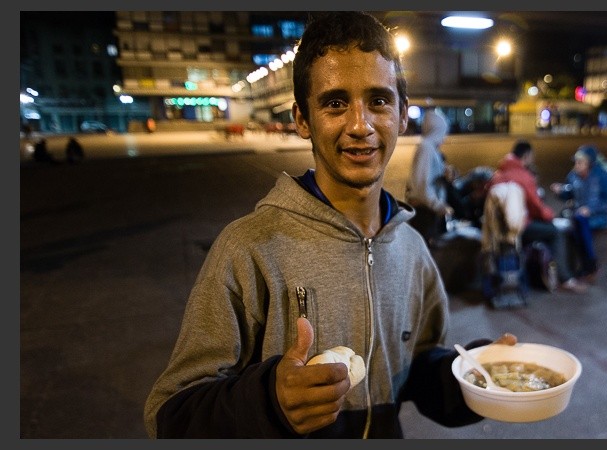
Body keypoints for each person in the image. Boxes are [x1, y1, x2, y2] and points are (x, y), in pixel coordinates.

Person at [143, 11, 516, 439]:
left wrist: (479, 376)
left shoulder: (412, 249)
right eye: (335, 103)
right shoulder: (248, 249)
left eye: (378, 100)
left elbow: (418, 372)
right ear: (303, 119)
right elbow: (169, 415)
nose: (360, 125)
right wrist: (269, 402)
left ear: (401, 114)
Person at [484, 140, 589, 294]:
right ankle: (565, 279)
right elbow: (536, 206)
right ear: (526, 156)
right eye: (531, 156)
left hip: (498, 229)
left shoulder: (498, 174)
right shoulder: (523, 176)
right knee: (555, 232)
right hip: (518, 227)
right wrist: (550, 216)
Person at [550, 144, 607, 283]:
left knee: (579, 222)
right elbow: (569, 193)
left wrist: (590, 209)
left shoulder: (602, 175)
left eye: (580, 162)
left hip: (598, 216)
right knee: (573, 222)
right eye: (576, 162)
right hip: (579, 215)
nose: (577, 165)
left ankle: (590, 265)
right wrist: (560, 191)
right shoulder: (573, 175)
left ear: (589, 164)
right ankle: (586, 266)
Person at [405, 108, 455, 245]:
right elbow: (422, 183)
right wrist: (438, 206)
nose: (444, 138)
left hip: (427, 211)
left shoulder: (430, 149)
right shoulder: (426, 148)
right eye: (443, 133)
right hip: (425, 213)